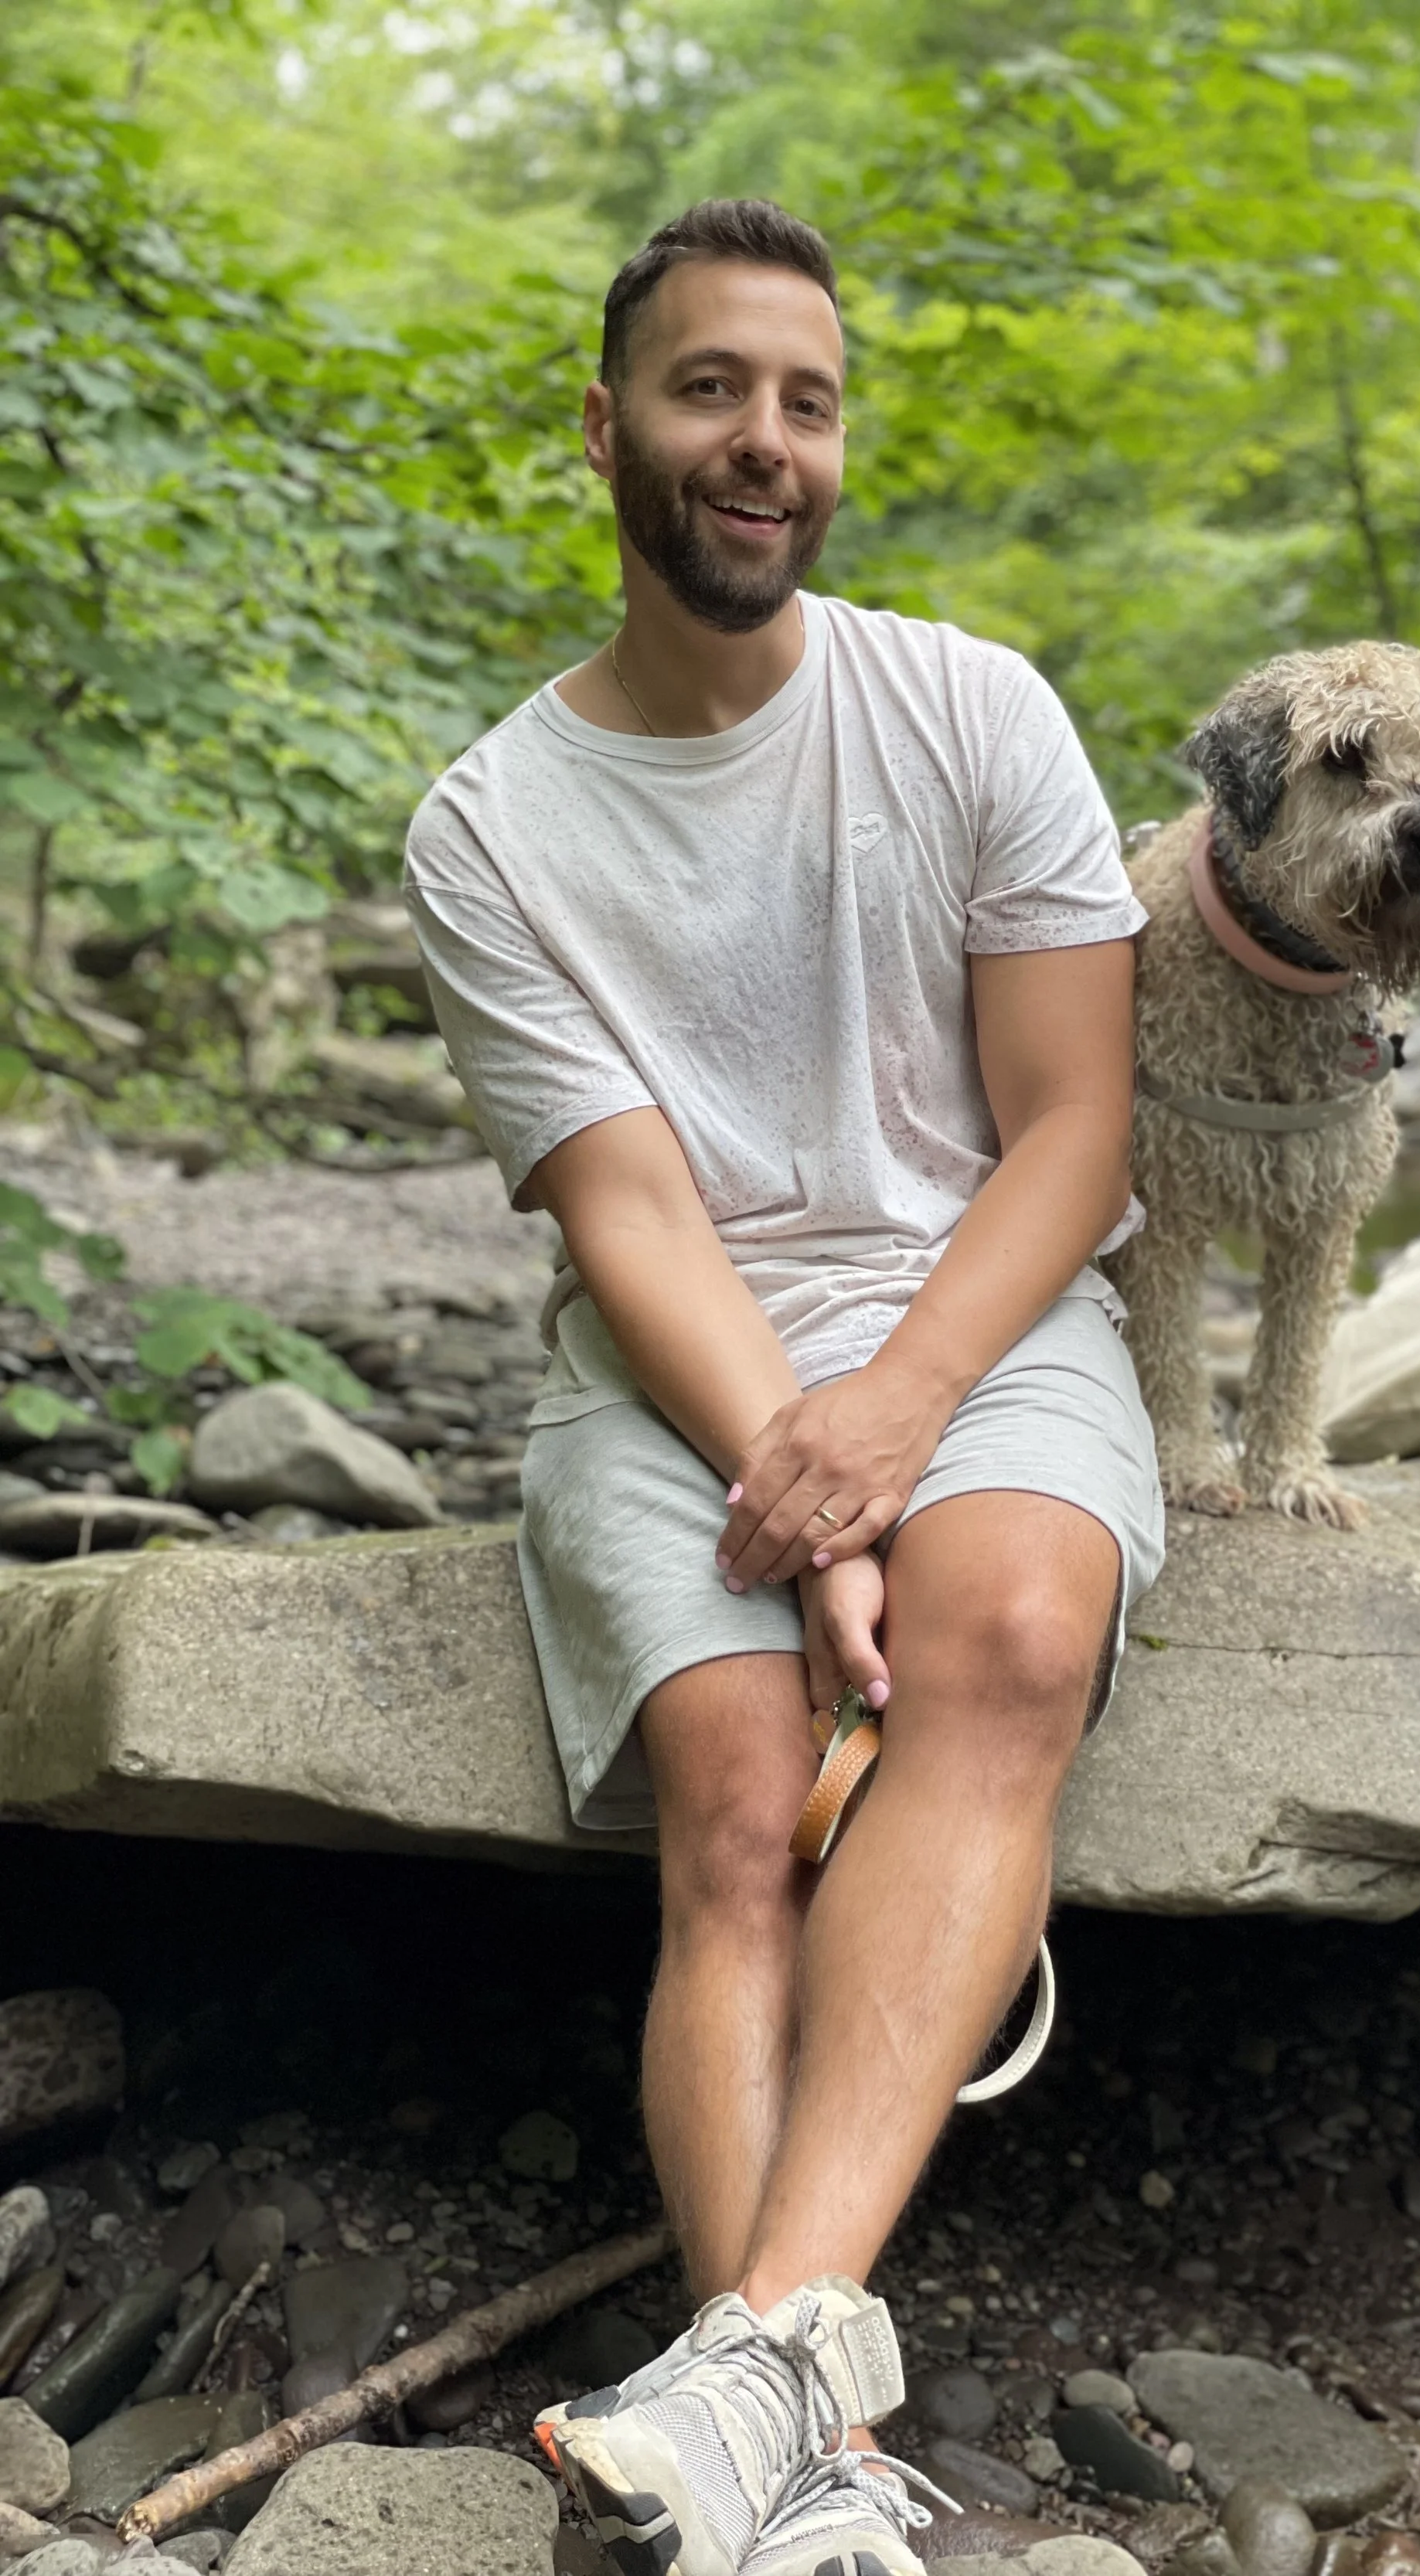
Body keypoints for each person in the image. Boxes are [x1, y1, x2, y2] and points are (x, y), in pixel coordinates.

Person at [404, 196, 1164, 2576]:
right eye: (712, 387)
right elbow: (629, 1219)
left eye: (806, 400)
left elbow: (1074, 1126)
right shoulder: (488, 827)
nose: (764, 442)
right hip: (676, 1356)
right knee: (733, 1801)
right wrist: (809, 1496)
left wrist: (905, 1418)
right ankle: (815, 2475)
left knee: (1014, 1633)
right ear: (610, 422)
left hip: (978, 1299)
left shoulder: (971, 708)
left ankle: (756, 2375)